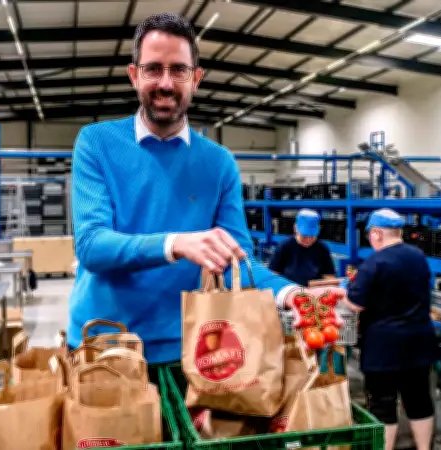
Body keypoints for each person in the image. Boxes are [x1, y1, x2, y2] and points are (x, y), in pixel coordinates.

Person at [68, 12, 344, 384]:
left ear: (195, 79)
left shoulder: (218, 163)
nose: (165, 83)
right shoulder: (96, 143)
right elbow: (91, 246)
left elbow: (241, 264)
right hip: (106, 347)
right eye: (153, 69)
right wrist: (176, 243)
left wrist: (292, 294)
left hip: (193, 349)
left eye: (178, 70)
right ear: (134, 75)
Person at [345, 208, 436, 450]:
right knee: (419, 400)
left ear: (376, 233)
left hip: (383, 347)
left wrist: (341, 295)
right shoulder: (418, 256)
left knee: (383, 402)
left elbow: (355, 304)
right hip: (418, 342)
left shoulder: (374, 263)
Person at [269, 209, 337, 286]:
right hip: (289, 290)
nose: (308, 240)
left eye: (312, 236)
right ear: (295, 228)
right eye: (304, 236)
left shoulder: (322, 248)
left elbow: (329, 276)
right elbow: (273, 275)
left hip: (314, 290)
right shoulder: (284, 246)